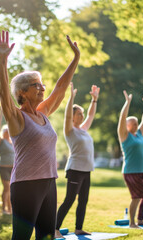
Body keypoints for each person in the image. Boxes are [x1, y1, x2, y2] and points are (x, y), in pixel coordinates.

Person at [0, 30, 80, 240]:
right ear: (22, 92)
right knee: (21, 237)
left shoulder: (43, 113)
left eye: (42, 85)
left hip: (49, 182)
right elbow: (4, 93)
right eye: (37, 85)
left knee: (47, 236)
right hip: (26, 185)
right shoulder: (16, 117)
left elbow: (60, 88)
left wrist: (76, 58)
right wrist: (2, 60)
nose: (42, 88)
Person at [55, 83, 100, 238]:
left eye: (82, 113)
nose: (82, 116)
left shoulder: (83, 130)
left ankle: (78, 228)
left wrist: (94, 100)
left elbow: (91, 116)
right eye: (79, 113)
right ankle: (54, 228)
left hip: (87, 170)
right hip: (75, 169)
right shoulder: (70, 131)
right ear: (73, 117)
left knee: (83, 201)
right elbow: (67, 116)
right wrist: (71, 98)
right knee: (69, 200)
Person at [117, 90, 143, 228]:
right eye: (133, 123)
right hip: (131, 171)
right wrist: (127, 103)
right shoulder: (124, 135)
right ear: (127, 126)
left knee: (139, 197)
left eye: (136, 123)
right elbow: (122, 117)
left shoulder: (139, 135)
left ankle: (139, 220)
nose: (136, 125)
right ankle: (133, 222)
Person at [0, 111, 14, 215]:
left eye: (8, 130)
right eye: (6, 130)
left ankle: (10, 209)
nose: (8, 131)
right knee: (6, 188)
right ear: (3, 132)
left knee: (11, 190)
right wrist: (0, 115)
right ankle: (4, 208)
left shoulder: (12, 142)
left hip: (12, 168)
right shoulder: (1, 141)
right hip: (4, 167)